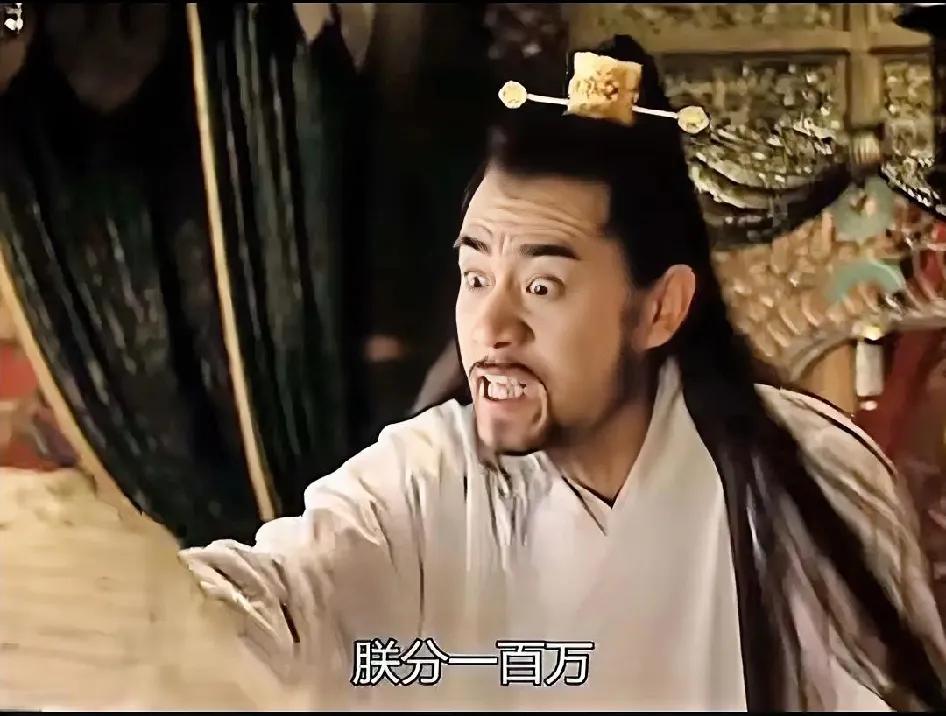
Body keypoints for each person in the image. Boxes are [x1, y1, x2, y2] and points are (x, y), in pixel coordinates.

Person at [179, 36, 946, 711]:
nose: (493, 328)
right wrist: (130, 585)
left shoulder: (805, 480)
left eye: (542, 287)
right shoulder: (429, 478)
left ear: (660, 309)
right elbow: (274, 602)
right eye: (475, 277)